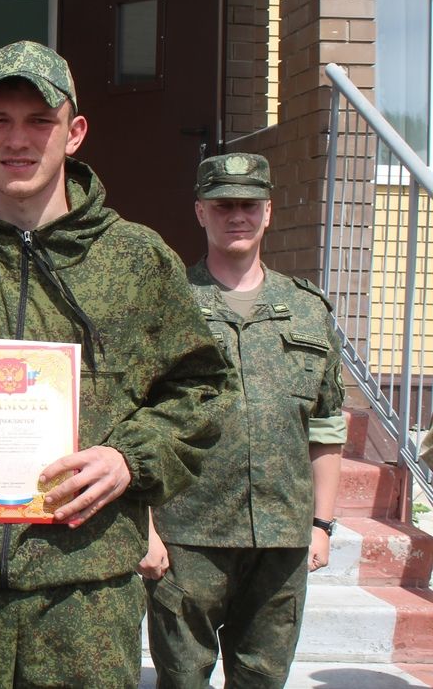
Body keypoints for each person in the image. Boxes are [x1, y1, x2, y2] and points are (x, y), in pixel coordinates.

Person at [0, 40, 233, 688]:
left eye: (40, 120)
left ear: (75, 131)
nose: (18, 139)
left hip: (84, 602)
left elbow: (202, 387)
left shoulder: (135, 259)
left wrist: (128, 459)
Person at [142, 152, 346, 689]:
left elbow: (325, 428)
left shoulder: (308, 310)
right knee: (182, 678)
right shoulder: (167, 303)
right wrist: (146, 528)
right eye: (224, 204)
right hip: (187, 533)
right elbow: (132, 423)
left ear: (269, 212)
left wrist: (321, 525)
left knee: (262, 678)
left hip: (282, 534)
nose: (238, 215)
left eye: (249, 205)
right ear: (200, 212)